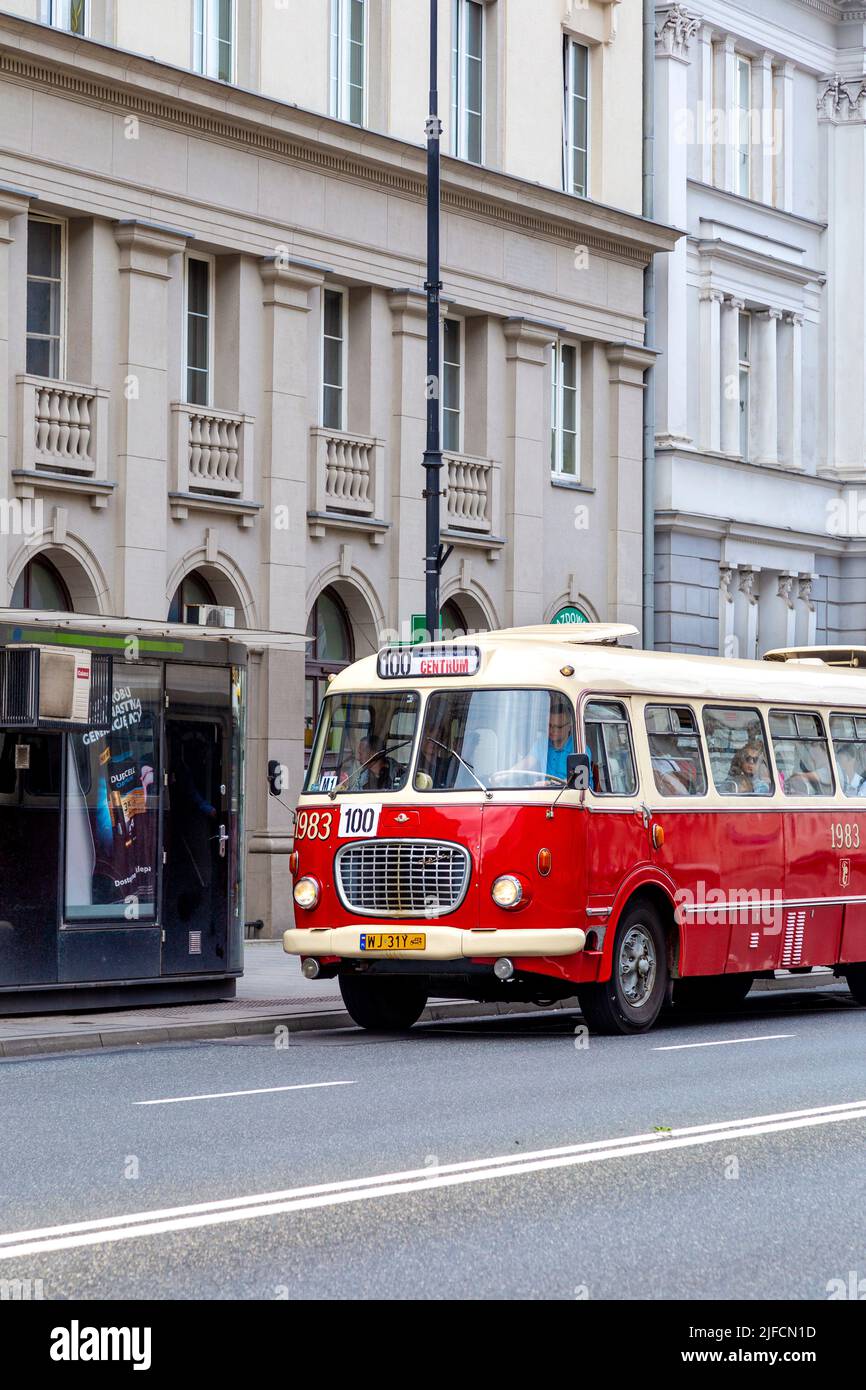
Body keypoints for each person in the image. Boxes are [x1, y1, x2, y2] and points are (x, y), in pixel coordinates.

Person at [521, 696, 575, 783]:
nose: (552, 730)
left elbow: (577, 780)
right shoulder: (543, 743)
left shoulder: (579, 748)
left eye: (558, 727)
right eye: (549, 725)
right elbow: (526, 764)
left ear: (569, 727)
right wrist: (504, 775)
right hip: (547, 793)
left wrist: (549, 784)